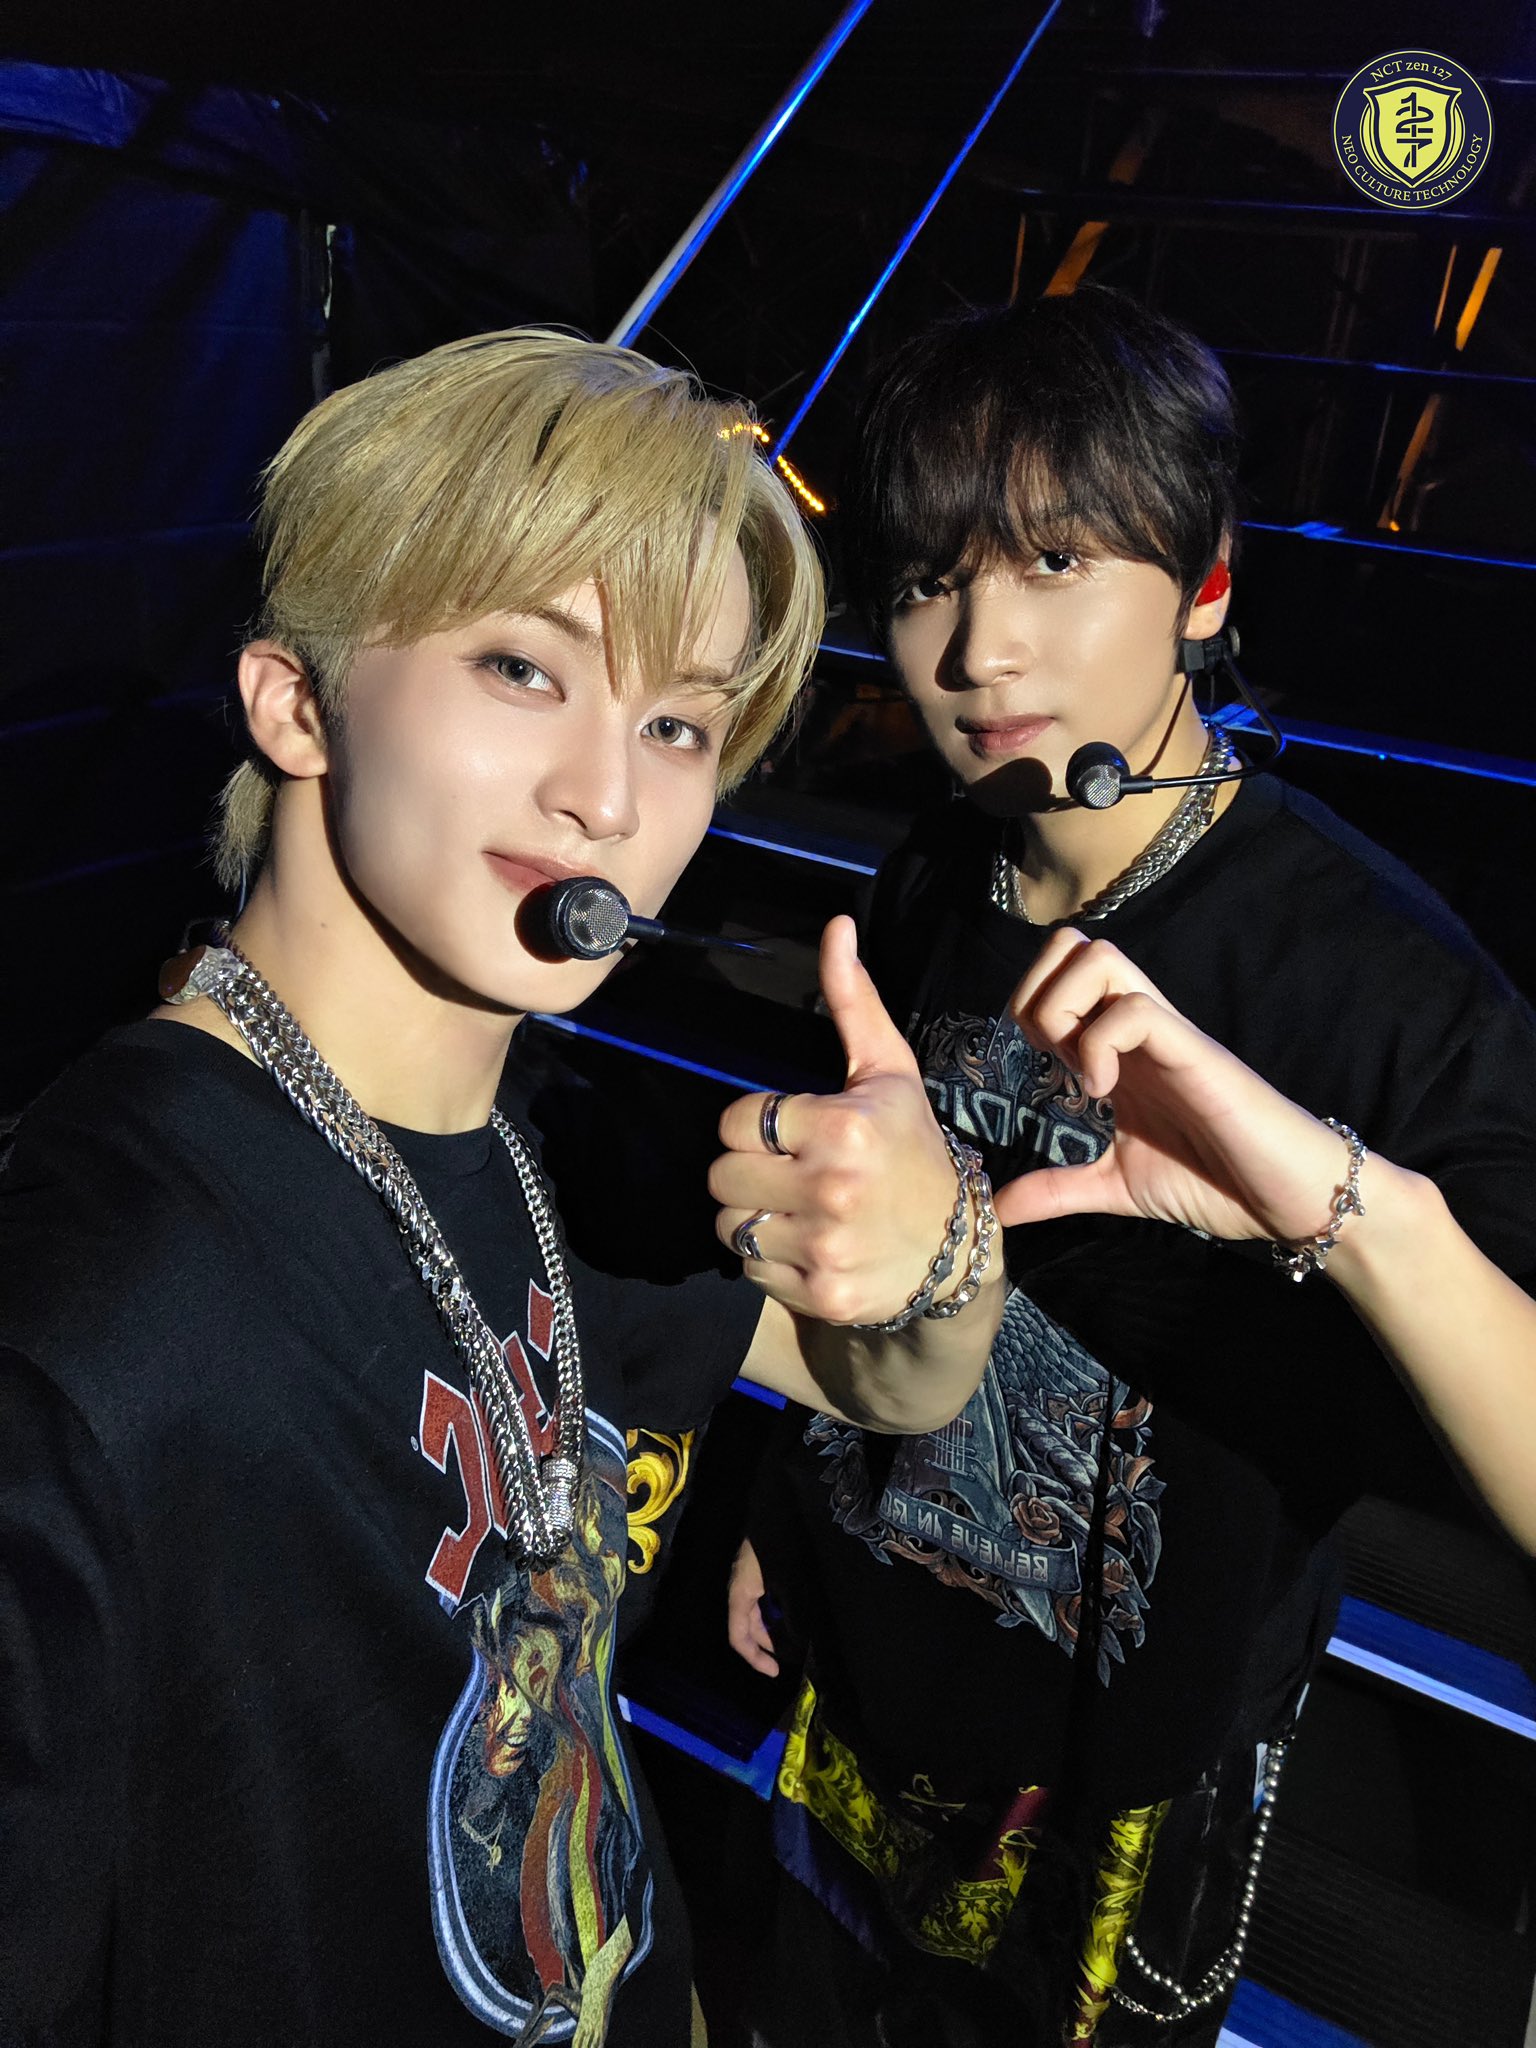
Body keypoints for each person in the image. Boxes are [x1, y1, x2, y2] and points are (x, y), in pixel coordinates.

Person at [0, 330, 1007, 2048]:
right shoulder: (89, 1308)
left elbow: (891, 1380)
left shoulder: (567, 1155)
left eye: (678, 723)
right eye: (524, 669)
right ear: (295, 701)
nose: (607, 796)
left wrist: (937, 1256)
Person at [727, 285, 1536, 2048]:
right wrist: (799, 1495)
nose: (977, 654)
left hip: (1129, 1752)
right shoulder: (938, 871)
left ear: (1208, 586)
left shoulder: (1373, 977)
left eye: (1055, 563)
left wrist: (1346, 1208)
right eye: (928, 581)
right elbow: (863, 1232)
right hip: (866, 1666)